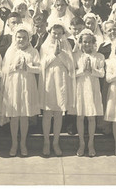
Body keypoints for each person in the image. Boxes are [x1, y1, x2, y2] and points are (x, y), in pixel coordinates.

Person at [1, 24, 41, 157]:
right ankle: (14, 143)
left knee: (24, 116)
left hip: (27, 85)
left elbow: (39, 69)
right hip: (13, 85)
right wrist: (14, 67)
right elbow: (4, 70)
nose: (21, 40)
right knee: (14, 116)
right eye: (18, 37)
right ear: (15, 38)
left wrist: (28, 68)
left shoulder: (33, 52)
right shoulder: (10, 51)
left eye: (24, 37)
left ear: (28, 38)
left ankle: (23, 143)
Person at [39, 23, 76, 156]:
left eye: (59, 33)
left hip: (61, 80)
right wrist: (54, 54)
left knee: (59, 113)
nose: (56, 36)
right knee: (48, 113)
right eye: (54, 33)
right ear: (50, 33)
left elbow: (70, 66)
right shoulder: (45, 46)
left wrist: (61, 54)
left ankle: (56, 141)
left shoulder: (66, 47)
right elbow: (42, 64)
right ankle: (46, 142)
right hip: (49, 81)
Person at [73, 29, 105, 157]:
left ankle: (91, 143)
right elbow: (72, 74)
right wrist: (82, 70)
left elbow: (102, 74)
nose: (87, 44)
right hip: (80, 87)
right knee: (80, 116)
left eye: (89, 42)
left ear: (93, 43)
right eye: (84, 42)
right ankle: (81, 143)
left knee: (92, 117)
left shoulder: (99, 56)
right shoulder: (76, 56)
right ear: (80, 42)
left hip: (92, 87)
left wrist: (91, 70)